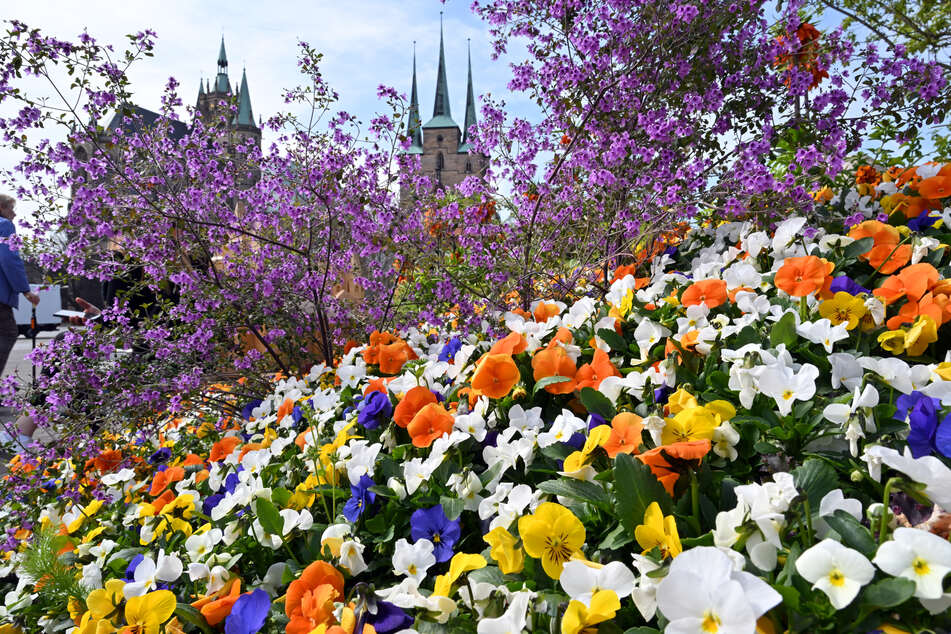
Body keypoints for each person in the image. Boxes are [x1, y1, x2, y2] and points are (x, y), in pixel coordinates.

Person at [0, 195, 39, 379]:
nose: (14, 214)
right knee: (7, 333)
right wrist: (25, 289)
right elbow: (9, 259)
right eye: (11, 209)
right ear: (1, 208)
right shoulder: (4, 225)